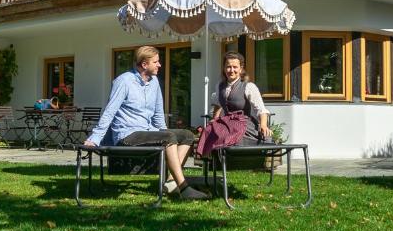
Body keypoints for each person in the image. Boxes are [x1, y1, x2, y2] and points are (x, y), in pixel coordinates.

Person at [85, 45, 210, 201]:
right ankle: (184, 188)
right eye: (156, 62)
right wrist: (95, 138)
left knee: (187, 135)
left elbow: (158, 114)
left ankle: (171, 182)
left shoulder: (154, 82)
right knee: (168, 138)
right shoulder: (124, 81)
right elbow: (109, 111)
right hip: (127, 135)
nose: (160, 65)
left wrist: (165, 132)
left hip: (147, 130)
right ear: (144, 64)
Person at [211, 51, 272, 145]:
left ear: (241, 69)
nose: (231, 70)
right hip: (227, 124)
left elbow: (261, 109)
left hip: (244, 126)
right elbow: (218, 104)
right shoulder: (219, 86)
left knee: (231, 135)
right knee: (210, 133)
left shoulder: (249, 87)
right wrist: (214, 120)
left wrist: (263, 125)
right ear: (224, 68)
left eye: (235, 67)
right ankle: (215, 158)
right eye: (228, 67)